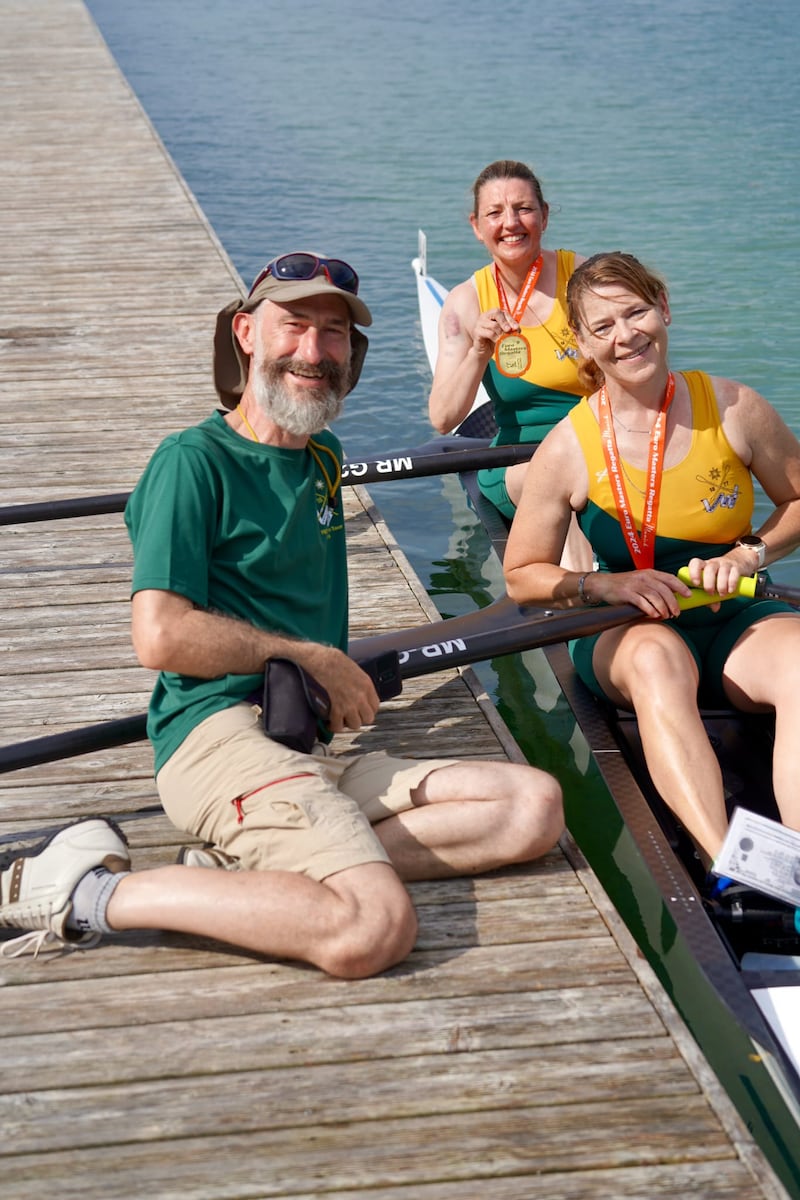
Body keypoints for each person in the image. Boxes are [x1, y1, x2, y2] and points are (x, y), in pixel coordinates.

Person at [0, 252, 564, 974]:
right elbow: (161, 634)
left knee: (532, 809)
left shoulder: (321, 459)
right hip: (218, 739)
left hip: (307, 741)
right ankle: (86, 892)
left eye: (334, 334)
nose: (314, 351)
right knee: (371, 927)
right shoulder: (191, 462)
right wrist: (315, 657)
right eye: (293, 325)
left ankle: (244, 878)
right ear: (244, 332)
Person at [503, 250, 800, 875]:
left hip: (732, 616)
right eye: (602, 327)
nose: (626, 336)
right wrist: (605, 584)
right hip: (628, 630)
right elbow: (523, 573)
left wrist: (750, 551)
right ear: (581, 343)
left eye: (635, 312)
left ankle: (797, 861)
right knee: (659, 660)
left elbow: (797, 501)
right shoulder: (567, 447)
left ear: (663, 309)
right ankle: (735, 870)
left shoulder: (735, 408)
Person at [428, 161, 591, 569]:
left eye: (523, 209)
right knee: (556, 480)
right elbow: (443, 417)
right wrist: (479, 350)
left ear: (545, 215)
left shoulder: (585, 279)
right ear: (476, 226)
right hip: (518, 462)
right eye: (495, 213)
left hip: (595, 447)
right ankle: (590, 616)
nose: (510, 223)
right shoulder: (465, 302)